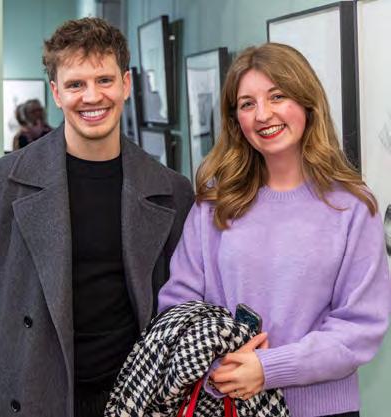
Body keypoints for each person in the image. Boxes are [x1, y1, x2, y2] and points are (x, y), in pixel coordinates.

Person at [0, 17, 194, 417]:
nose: (92, 96)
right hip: (31, 394)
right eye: (76, 84)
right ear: (56, 93)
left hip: (134, 396)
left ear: (126, 84)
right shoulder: (2, 183)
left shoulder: (173, 191)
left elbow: (183, 310)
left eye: (104, 80)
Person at [158, 43, 391, 417]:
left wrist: (269, 369)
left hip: (322, 411)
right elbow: (179, 303)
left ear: (307, 103)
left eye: (277, 96)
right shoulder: (214, 203)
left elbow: (360, 327)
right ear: (235, 119)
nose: (263, 114)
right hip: (226, 405)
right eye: (247, 104)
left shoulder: (352, 206)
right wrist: (221, 367)